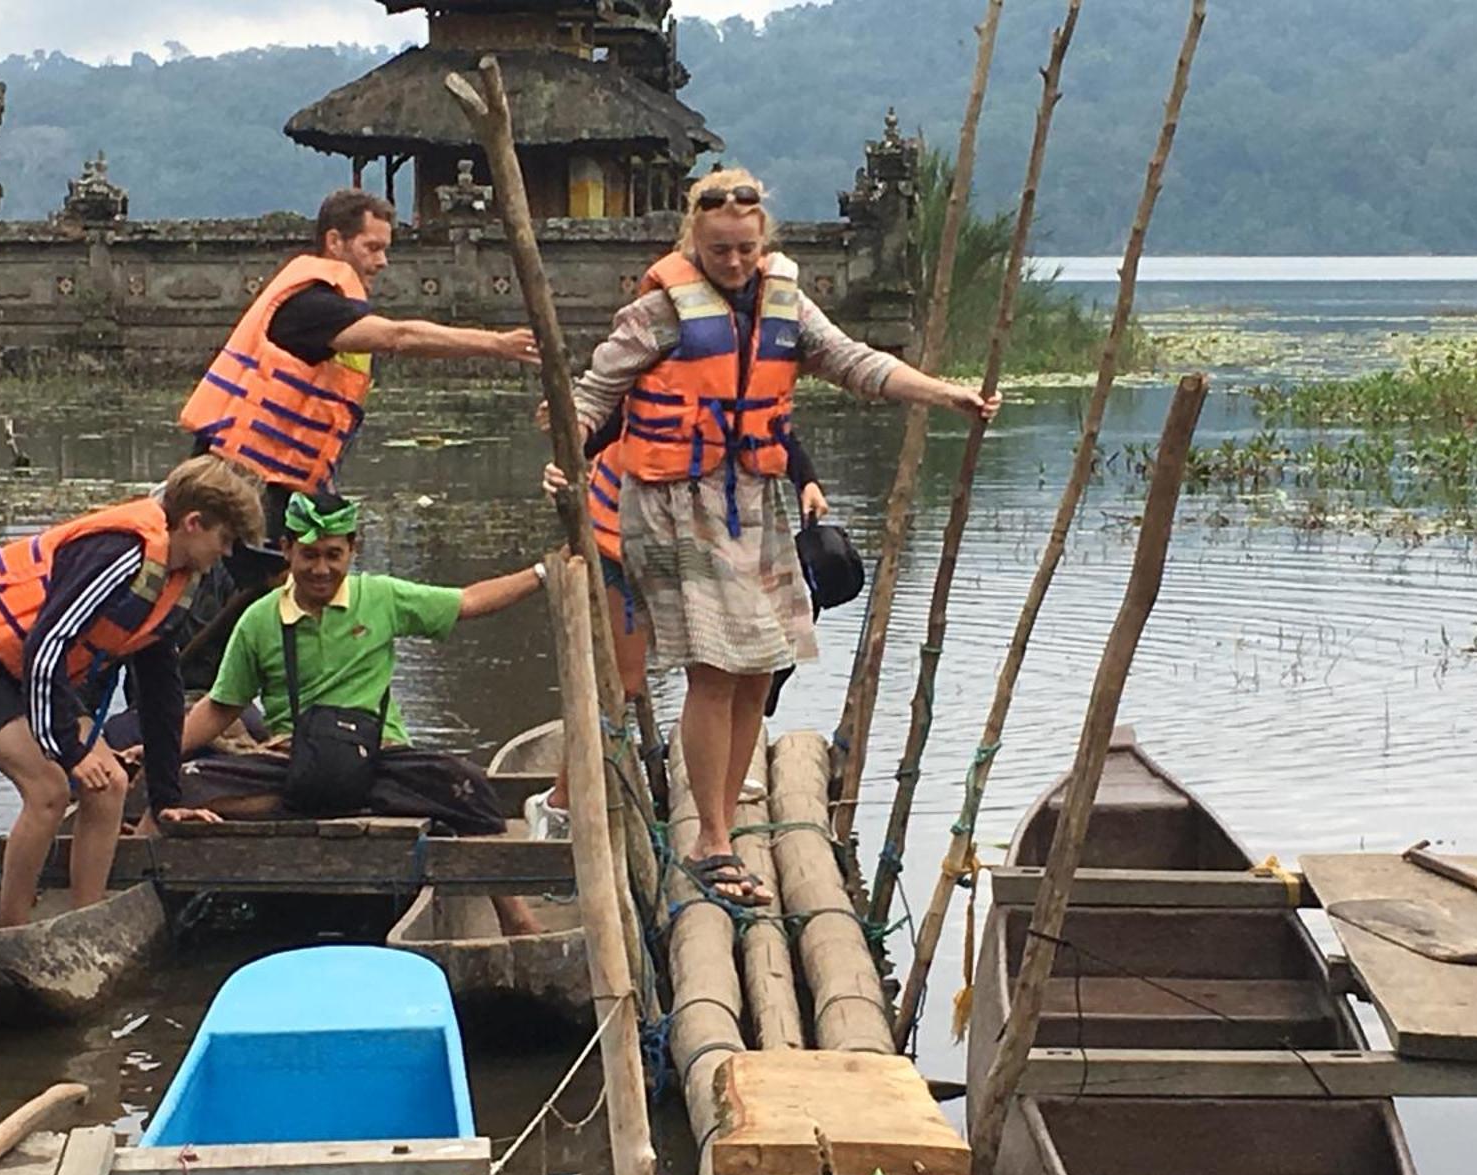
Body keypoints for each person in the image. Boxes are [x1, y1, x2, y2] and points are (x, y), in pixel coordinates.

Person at [570, 167, 1000, 906]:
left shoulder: (786, 305)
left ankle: (724, 817)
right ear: (693, 242)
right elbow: (591, 395)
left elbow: (857, 365)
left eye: (744, 248)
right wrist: (562, 456)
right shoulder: (657, 314)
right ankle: (707, 838)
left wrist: (945, 394)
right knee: (713, 664)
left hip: (756, 498)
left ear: (761, 241)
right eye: (718, 250)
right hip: (675, 505)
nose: (733, 263)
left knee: (761, 665)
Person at [177, 490, 550, 934]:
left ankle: (516, 918)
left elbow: (467, 602)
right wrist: (159, 753)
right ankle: (157, 895)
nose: (321, 569)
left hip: (379, 756)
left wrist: (543, 573)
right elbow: (221, 707)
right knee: (187, 784)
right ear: (286, 551)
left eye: (334, 555)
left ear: (352, 550)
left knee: (466, 785)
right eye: (309, 555)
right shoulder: (260, 619)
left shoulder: (380, 597)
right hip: (294, 762)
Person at [0, 454, 264, 927]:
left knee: (111, 786)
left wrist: (166, 800)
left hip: (34, 675)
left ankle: (85, 923)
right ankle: (13, 930)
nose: (226, 554)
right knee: (50, 789)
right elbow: (47, 643)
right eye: (224, 540)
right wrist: (69, 749)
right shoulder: (121, 551)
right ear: (193, 523)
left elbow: (162, 690)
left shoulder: (176, 577)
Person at [521, 405, 828, 839]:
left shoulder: (738, 372)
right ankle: (558, 802)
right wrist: (564, 461)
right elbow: (590, 428)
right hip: (619, 540)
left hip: (700, 545)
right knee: (621, 685)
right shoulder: (651, 370)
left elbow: (774, 427)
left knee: (720, 667)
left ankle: (718, 798)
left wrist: (806, 479)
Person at [180, 187, 543, 542]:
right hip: (239, 477)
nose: (382, 262)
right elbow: (399, 337)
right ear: (335, 242)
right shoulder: (312, 304)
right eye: (372, 248)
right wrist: (497, 343)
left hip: (281, 478)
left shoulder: (332, 303)